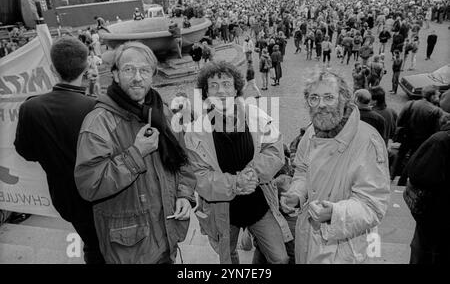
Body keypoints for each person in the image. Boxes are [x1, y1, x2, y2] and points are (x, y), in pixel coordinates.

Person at [74, 41, 197, 263]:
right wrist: (136, 153)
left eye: (144, 70)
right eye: (129, 69)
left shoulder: (164, 113)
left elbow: (184, 162)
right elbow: (89, 184)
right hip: (130, 250)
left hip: (167, 238)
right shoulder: (98, 122)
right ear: (116, 75)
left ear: (153, 75)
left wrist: (184, 195)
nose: (137, 77)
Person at [184, 61, 292, 264]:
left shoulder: (257, 116)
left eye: (226, 84)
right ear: (206, 93)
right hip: (222, 212)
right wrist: (236, 183)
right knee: (228, 256)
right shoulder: (195, 132)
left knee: (280, 257)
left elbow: (275, 151)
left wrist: (251, 175)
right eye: (214, 86)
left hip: (259, 204)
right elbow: (200, 177)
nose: (221, 91)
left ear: (236, 89)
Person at [281, 70, 390, 264]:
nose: (321, 105)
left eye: (329, 97)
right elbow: (303, 170)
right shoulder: (310, 133)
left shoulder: (368, 141)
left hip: (343, 248)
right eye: (314, 98)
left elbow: (373, 205)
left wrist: (335, 213)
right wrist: (297, 194)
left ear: (344, 99)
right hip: (308, 240)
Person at [14, 37, 104, 264]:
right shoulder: (96, 107)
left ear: (53, 69)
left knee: (92, 244)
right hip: (101, 196)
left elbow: (26, 152)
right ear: (86, 67)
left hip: (66, 199)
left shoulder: (30, 108)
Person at [406, 113, 450, 264]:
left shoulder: (441, 140)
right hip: (436, 218)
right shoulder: (441, 140)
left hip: (436, 218)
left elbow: (417, 173)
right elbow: (419, 173)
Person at [393, 85, 444, 186]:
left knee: (400, 156)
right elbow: (436, 130)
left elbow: (399, 121)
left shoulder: (411, 104)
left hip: (407, 137)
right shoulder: (436, 111)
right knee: (412, 159)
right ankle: (402, 181)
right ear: (432, 96)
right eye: (438, 94)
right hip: (422, 141)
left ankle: (391, 176)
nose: (440, 95)